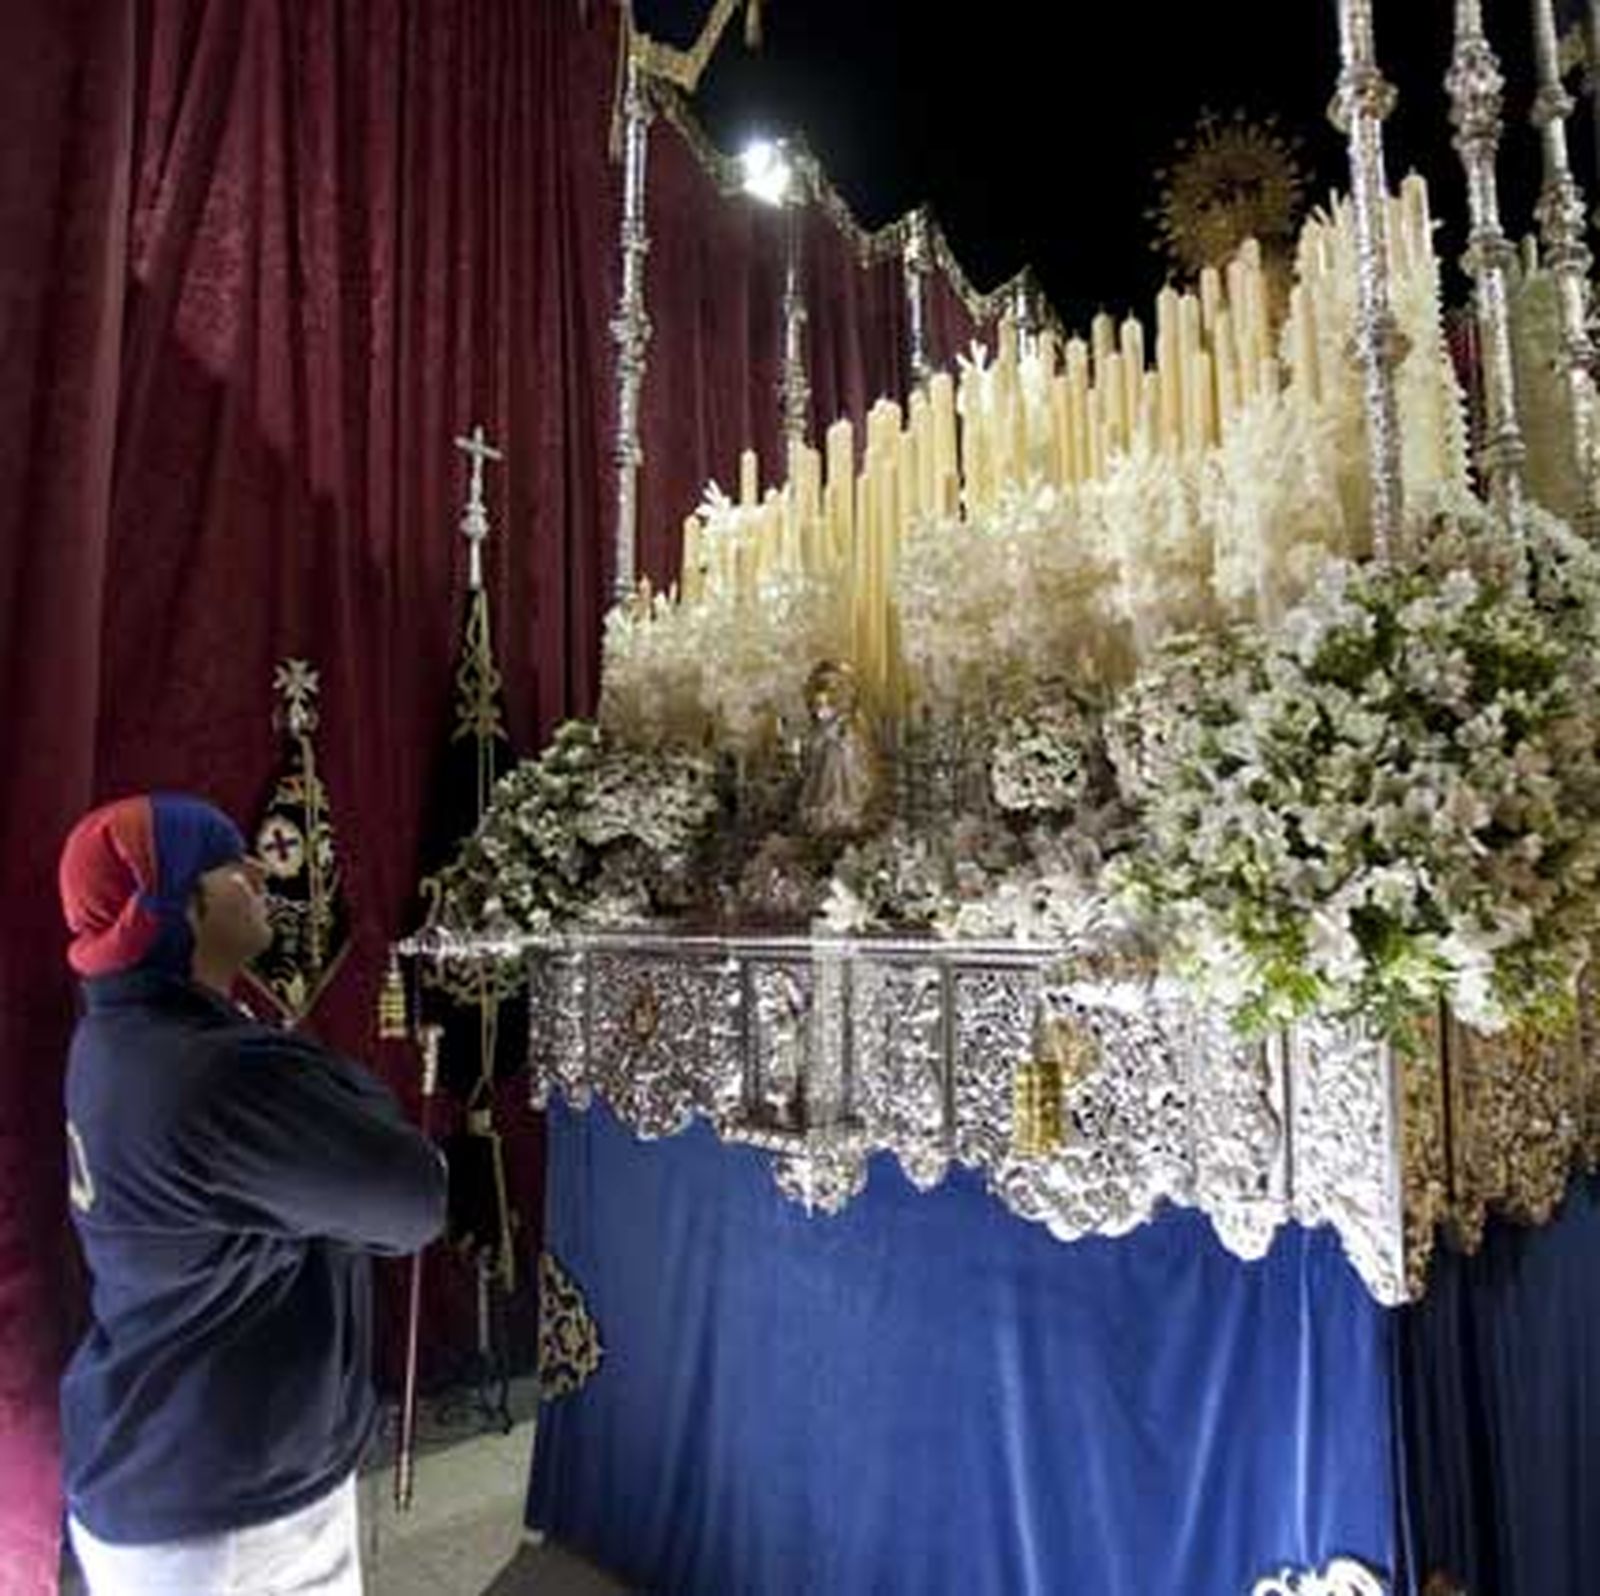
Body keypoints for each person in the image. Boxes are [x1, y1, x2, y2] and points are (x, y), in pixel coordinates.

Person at [56, 793, 447, 1595]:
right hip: (232, 1516)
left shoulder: (121, 1038)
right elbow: (414, 1196)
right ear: (179, 907)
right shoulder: (210, 1075)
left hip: (172, 1471)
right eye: (232, 867)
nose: (259, 876)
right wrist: (350, 1096)